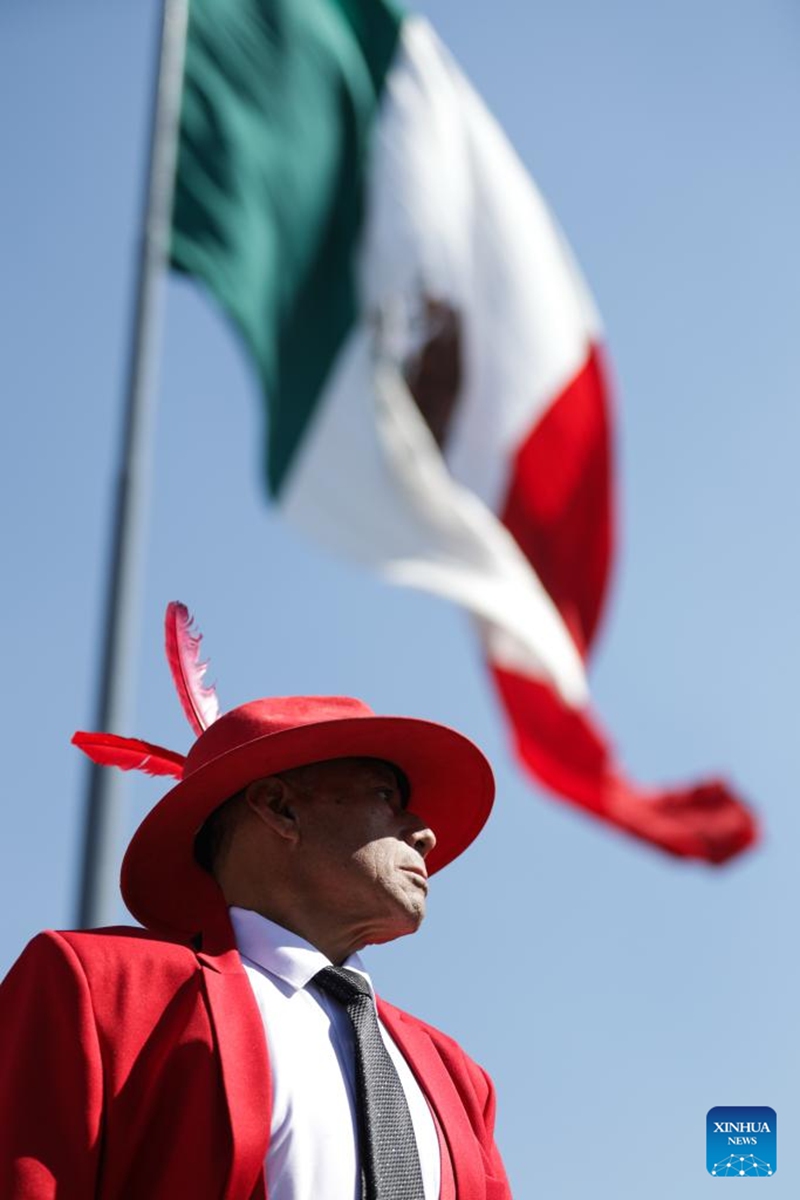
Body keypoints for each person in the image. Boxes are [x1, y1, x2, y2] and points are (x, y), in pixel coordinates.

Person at [0, 692, 512, 1199]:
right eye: (384, 796)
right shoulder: (104, 992)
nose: (425, 834)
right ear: (278, 807)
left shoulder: (461, 1078)